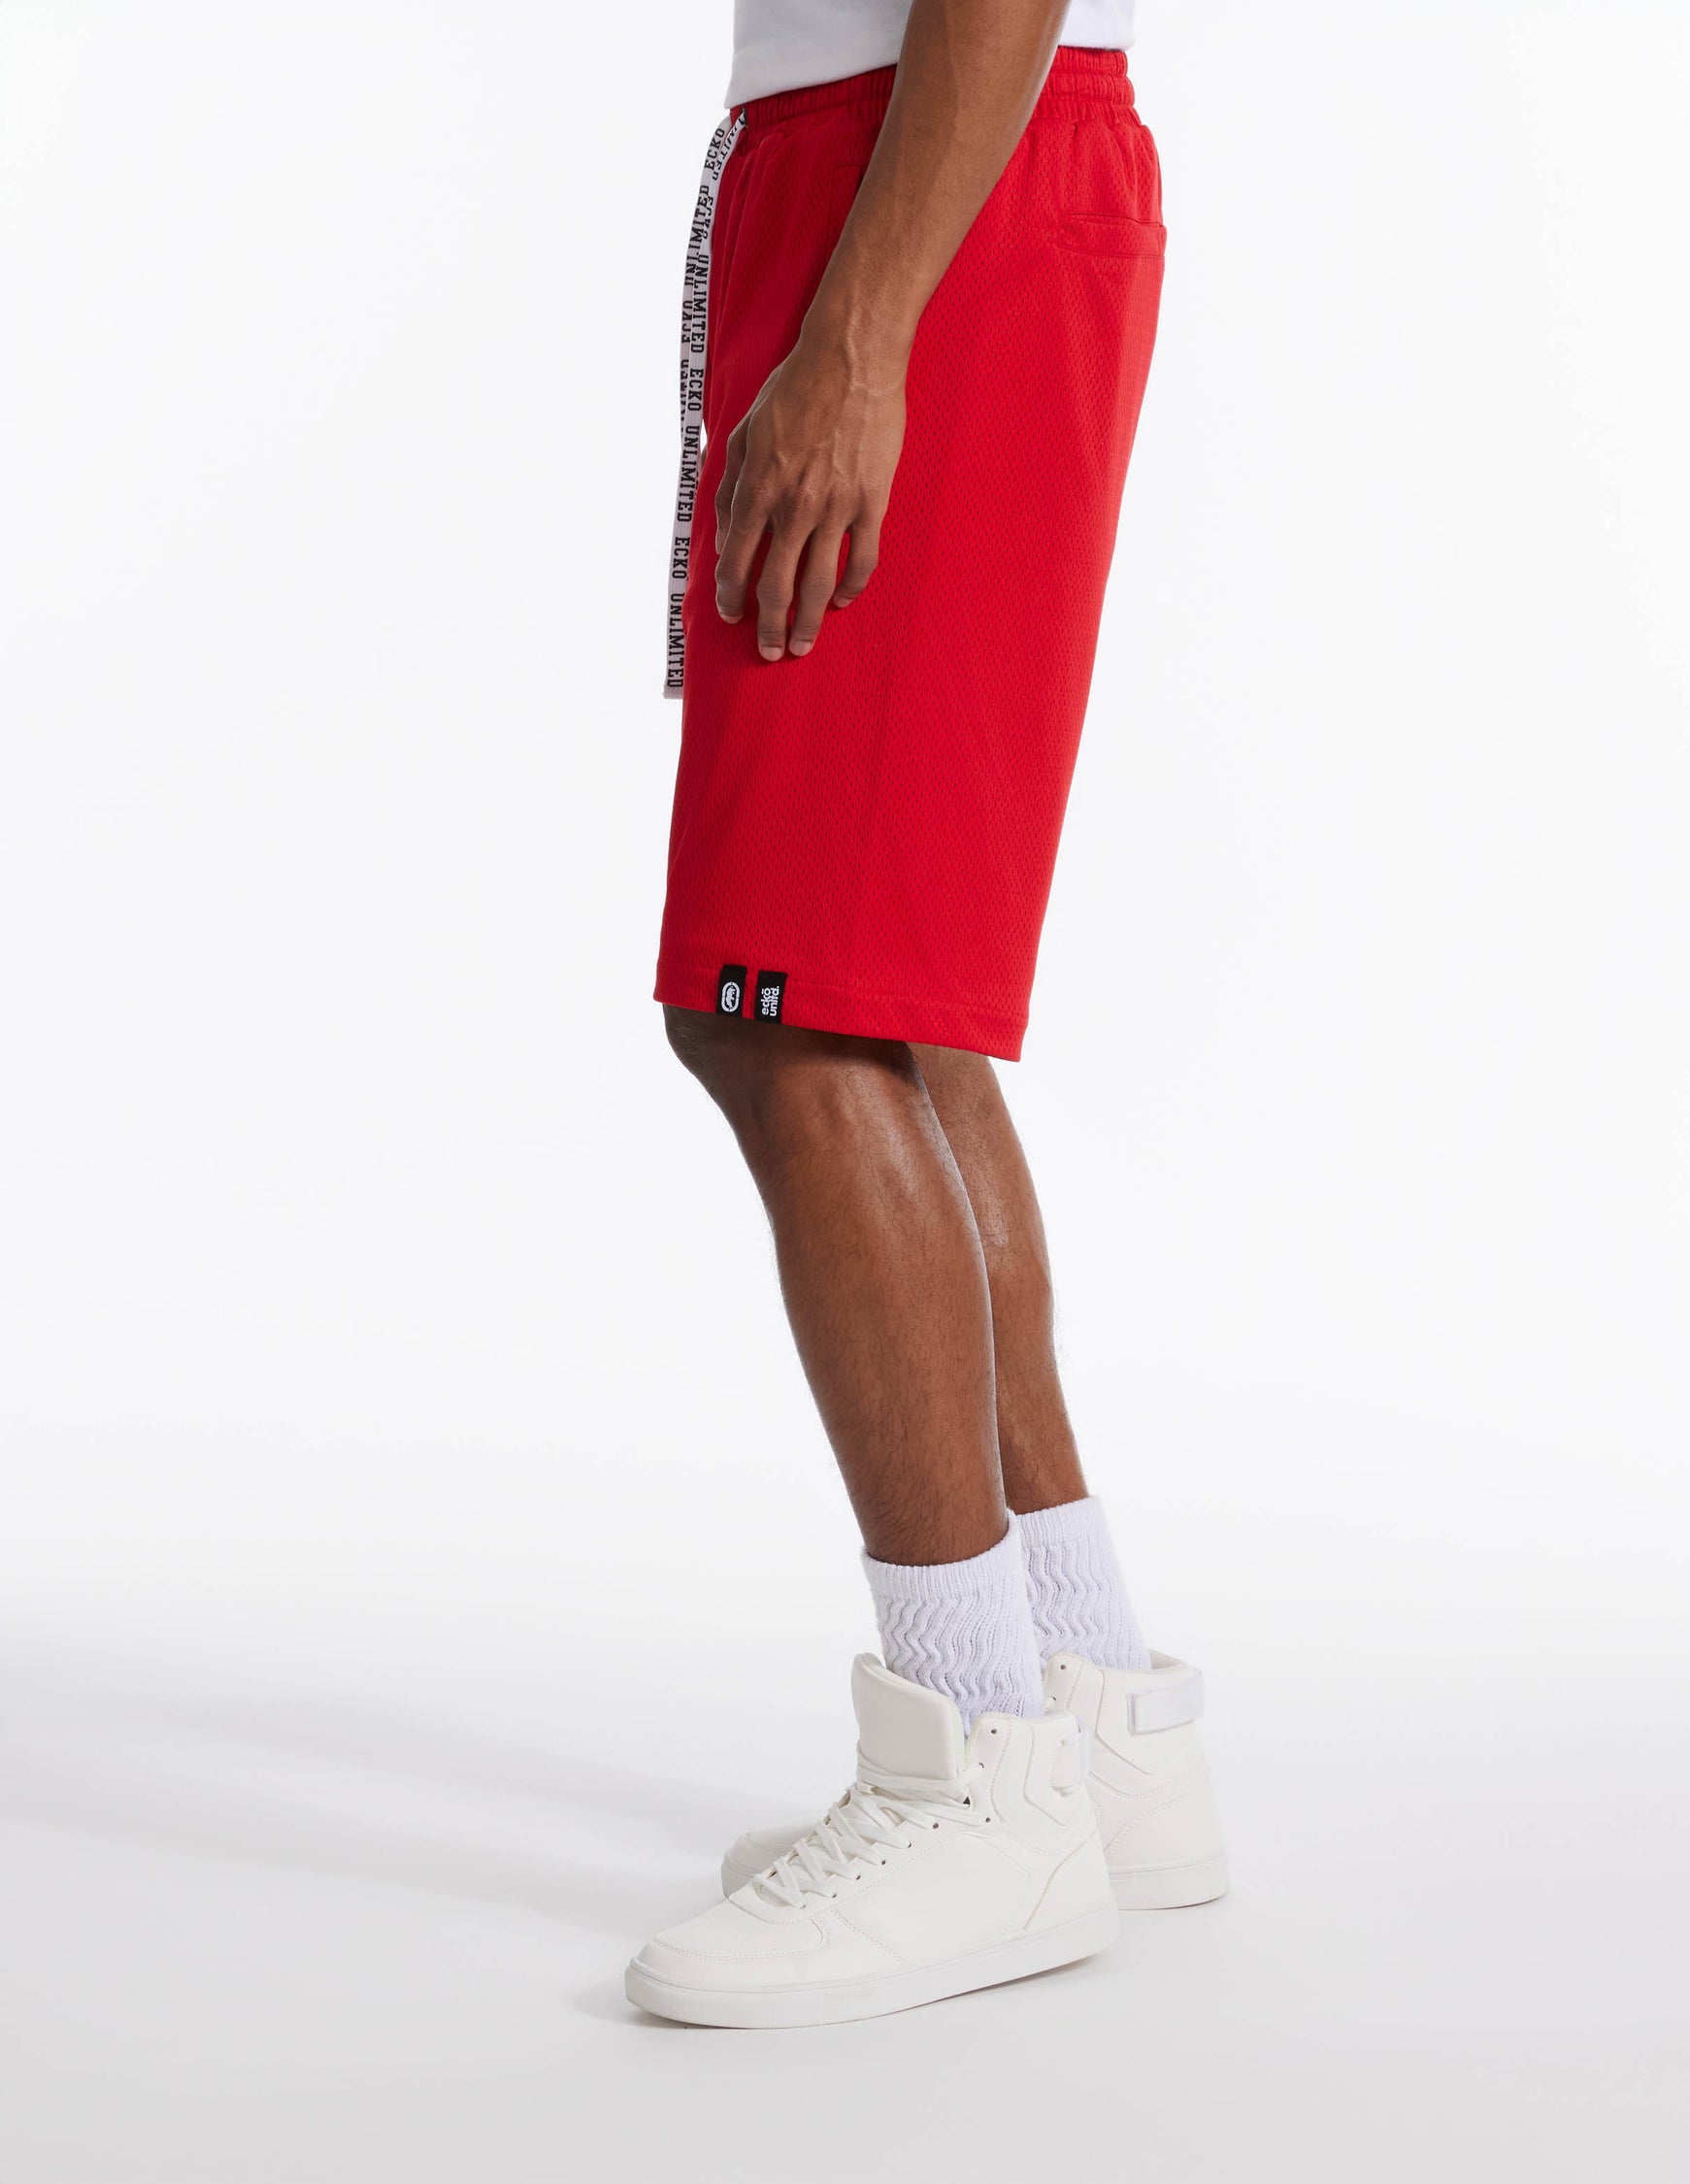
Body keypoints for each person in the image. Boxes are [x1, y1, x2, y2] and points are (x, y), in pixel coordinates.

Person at [627, 0, 1225, 2029]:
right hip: (913, 171)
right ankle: (1085, 1702)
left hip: (927, 184)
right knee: (881, 999)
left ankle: (977, 1777)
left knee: (788, 1009)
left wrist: (862, 329)